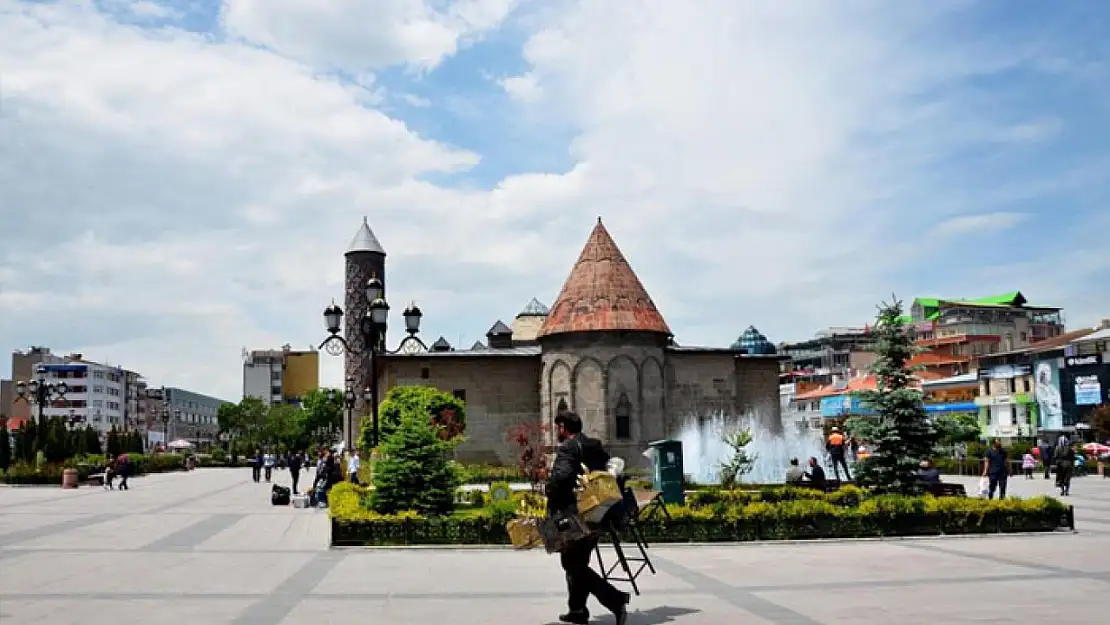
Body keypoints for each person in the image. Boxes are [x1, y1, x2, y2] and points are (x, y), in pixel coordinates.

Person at [546, 411, 629, 625]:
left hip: (575, 516)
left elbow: (561, 478)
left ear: (563, 427)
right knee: (577, 561)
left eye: (558, 428)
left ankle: (616, 599)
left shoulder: (568, 448)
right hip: (598, 514)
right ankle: (577, 610)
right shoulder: (594, 446)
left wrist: (549, 488)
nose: (557, 432)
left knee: (572, 564)